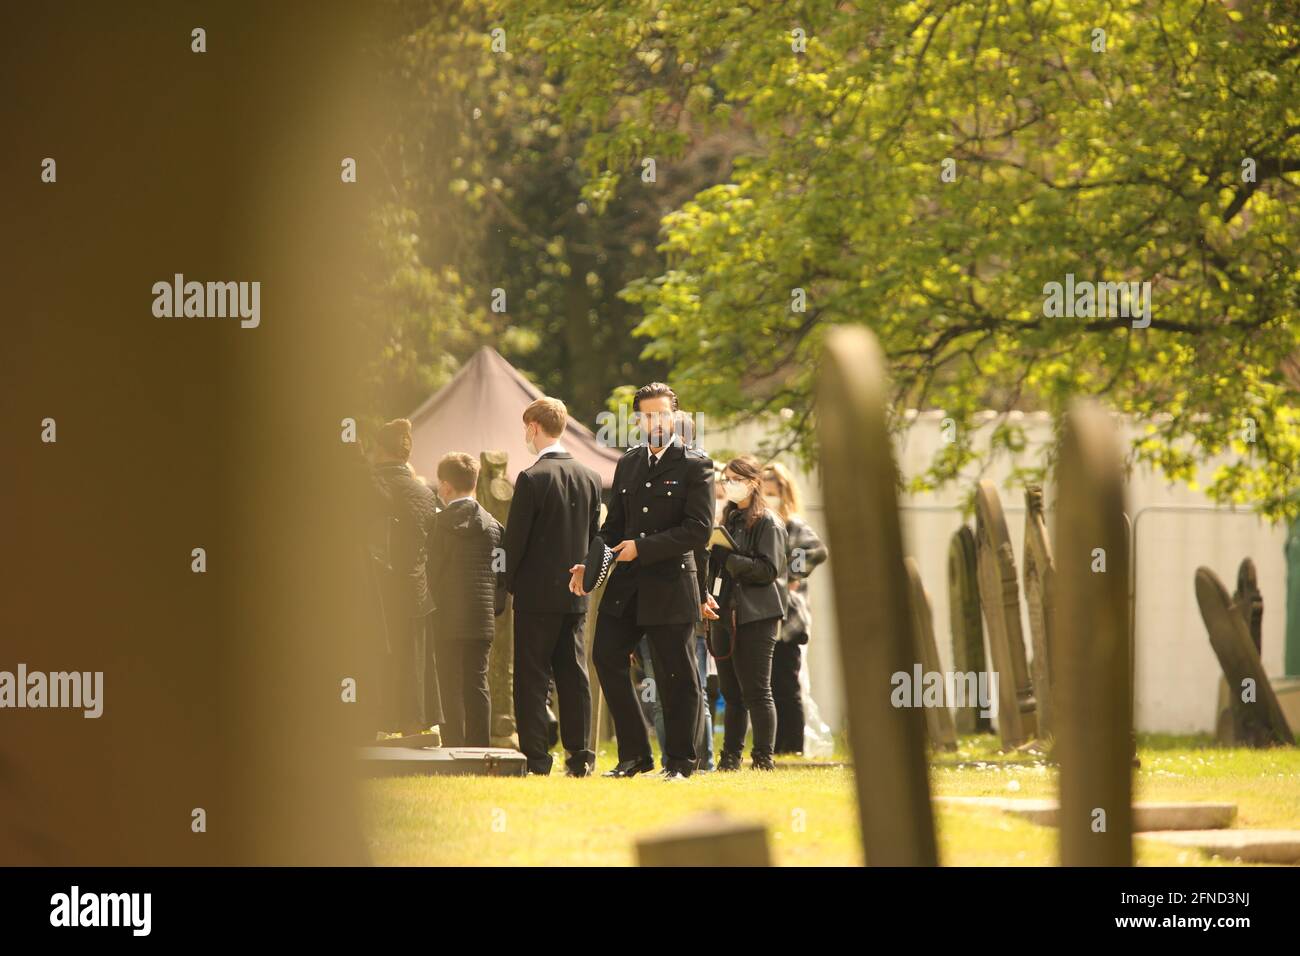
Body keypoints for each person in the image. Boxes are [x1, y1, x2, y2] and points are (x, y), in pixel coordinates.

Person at [571, 383, 714, 780]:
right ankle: (635, 755)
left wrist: (643, 548)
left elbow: (698, 531)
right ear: (638, 420)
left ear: (675, 416)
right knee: (605, 656)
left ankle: (682, 763)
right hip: (628, 585)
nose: (655, 421)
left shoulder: (696, 465)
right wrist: (590, 562)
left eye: (662, 414)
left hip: (671, 585)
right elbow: (613, 526)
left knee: (677, 676)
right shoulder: (629, 463)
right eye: (647, 415)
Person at [503, 397, 602, 776]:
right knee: (573, 677)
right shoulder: (591, 477)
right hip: (577, 594)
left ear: (533, 427)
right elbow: (597, 540)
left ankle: (537, 758)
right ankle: (580, 758)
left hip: (534, 595)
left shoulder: (531, 478)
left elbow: (515, 543)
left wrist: (509, 585)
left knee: (531, 677)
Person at [710, 455, 788, 771]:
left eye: (735, 480)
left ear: (753, 483)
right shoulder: (728, 520)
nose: (729, 485)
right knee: (730, 693)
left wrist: (730, 559)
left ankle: (762, 758)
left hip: (757, 616)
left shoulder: (768, 522)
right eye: (726, 480)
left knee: (757, 690)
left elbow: (769, 569)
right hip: (725, 611)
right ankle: (730, 757)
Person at [426, 452, 505, 747]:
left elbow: (430, 570)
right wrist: (493, 608)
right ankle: (479, 748)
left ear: (446, 487)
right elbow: (501, 572)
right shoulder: (494, 527)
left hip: (445, 616)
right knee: (477, 683)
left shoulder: (435, 525)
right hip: (480, 616)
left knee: (449, 684)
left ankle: (453, 746)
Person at [370, 418, 442, 737]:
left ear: (379, 450)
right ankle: (413, 725)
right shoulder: (425, 494)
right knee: (413, 663)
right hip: (414, 589)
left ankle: (372, 724)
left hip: (375, 589)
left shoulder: (370, 486)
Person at [762, 462, 828, 754]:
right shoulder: (763, 523)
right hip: (765, 614)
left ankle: (793, 748)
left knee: (787, 688)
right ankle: (774, 747)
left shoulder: (794, 525)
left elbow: (817, 550)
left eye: (773, 491)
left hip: (789, 618)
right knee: (769, 687)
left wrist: (791, 574)